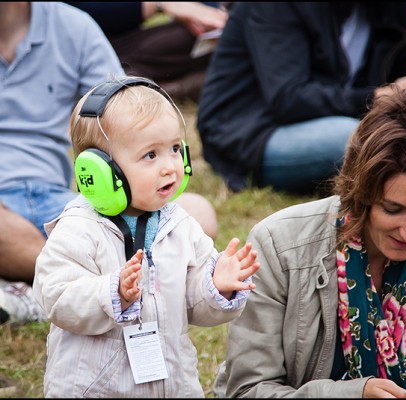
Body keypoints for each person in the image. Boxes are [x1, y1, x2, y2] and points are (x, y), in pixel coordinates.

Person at [214, 87, 406, 398]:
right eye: (393, 209)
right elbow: (246, 391)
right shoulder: (278, 246)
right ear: (359, 191)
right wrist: (352, 394)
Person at [32, 76, 260, 398]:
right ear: (99, 172)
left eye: (175, 149)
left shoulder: (180, 225)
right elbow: (56, 297)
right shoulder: (79, 229)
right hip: (95, 388)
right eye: (150, 155)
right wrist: (113, 292)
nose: (170, 166)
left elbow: (195, 305)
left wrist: (215, 285)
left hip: (172, 384)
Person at [0, 1, 219, 328]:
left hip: (56, 199)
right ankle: (70, 279)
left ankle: (50, 282)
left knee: (195, 213)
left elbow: (127, 110)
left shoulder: (73, 25)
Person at [197, 2, 406, 195]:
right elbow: (289, 97)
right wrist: (378, 97)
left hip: (357, 114)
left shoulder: (389, 5)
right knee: (357, 140)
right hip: (256, 131)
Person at [67, 1, 230, 102]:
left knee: (201, 33)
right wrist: (158, 4)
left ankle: (162, 88)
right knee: (116, 75)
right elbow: (76, 13)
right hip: (85, 48)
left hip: (132, 40)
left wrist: (213, 14)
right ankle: (174, 88)